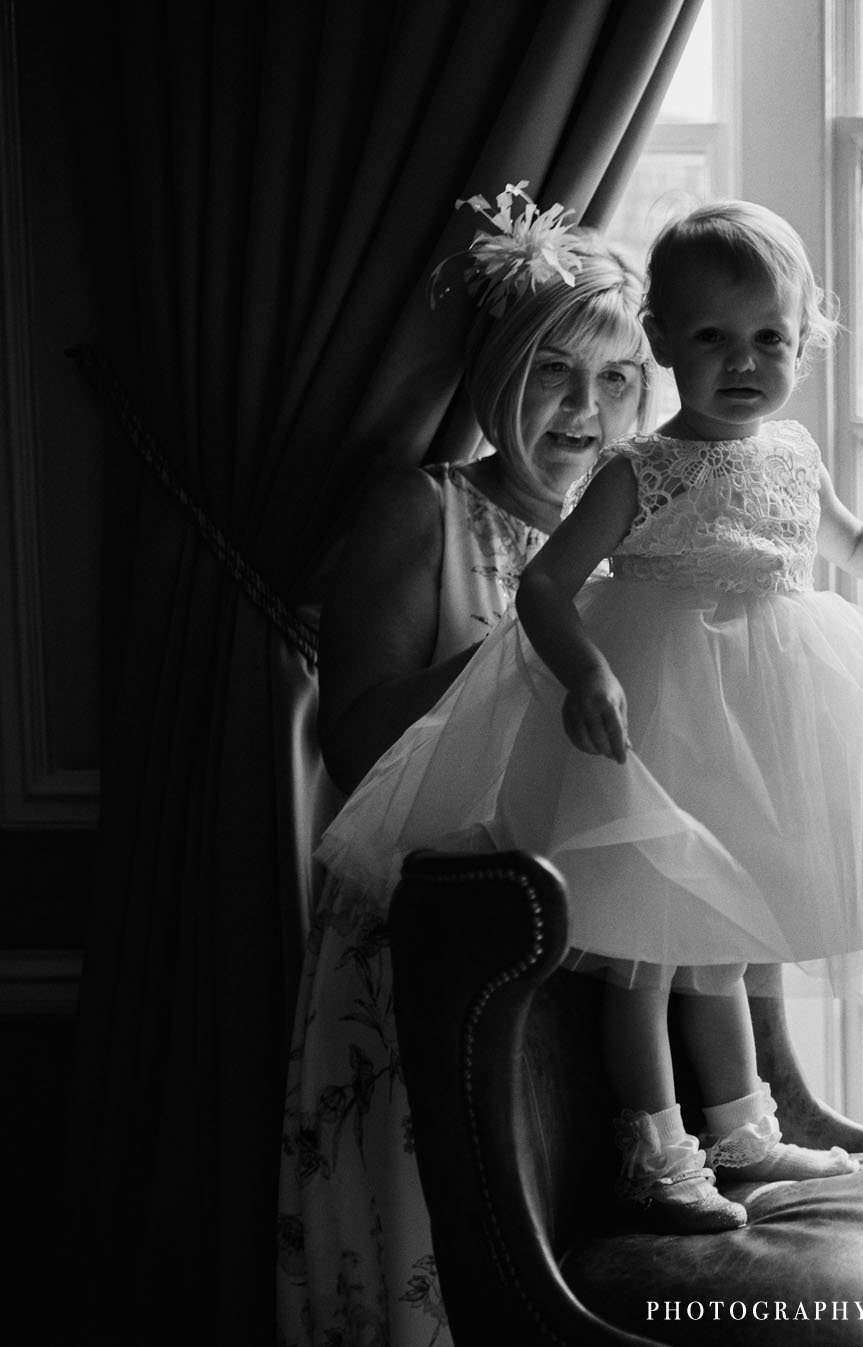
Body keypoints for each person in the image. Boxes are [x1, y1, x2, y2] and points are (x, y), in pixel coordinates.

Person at [315, 198, 863, 1236]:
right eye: (552, 371)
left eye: (769, 337)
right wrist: (584, 667)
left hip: (718, 734)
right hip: (589, 785)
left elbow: (854, 540)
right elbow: (538, 602)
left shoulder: (779, 457)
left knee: (716, 935)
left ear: (805, 337)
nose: (743, 362)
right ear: (670, 343)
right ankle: (656, 1149)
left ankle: (740, 1126)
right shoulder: (621, 477)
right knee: (641, 953)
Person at [278, 185, 655, 1345]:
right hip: (424, 954)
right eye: (555, 373)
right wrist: (521, 641)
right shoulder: (424, 511)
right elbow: (351, 745)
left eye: (615, 379)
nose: (586, 409)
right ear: (496, 376)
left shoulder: (638, 536)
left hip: (581, 959)